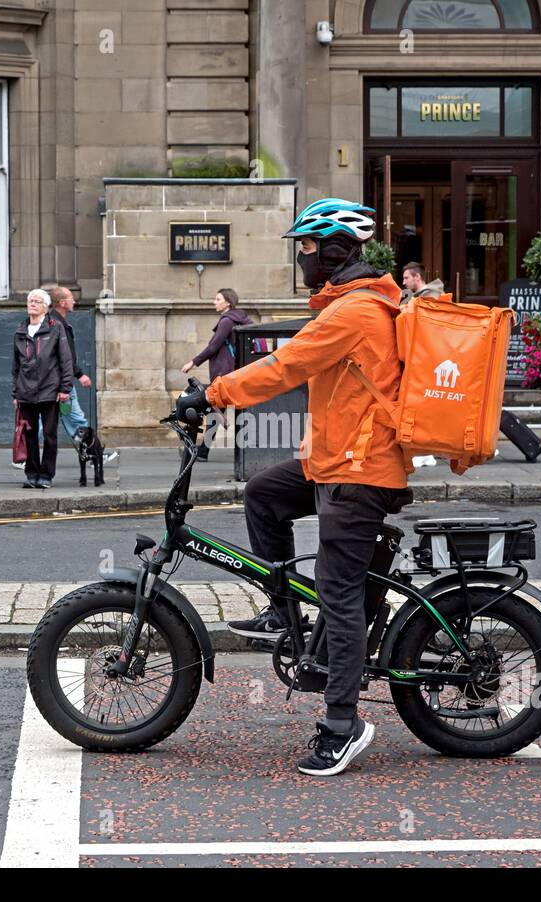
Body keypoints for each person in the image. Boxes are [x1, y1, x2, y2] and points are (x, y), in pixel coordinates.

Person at [179, 197, 413, 777]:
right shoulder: (347, 304)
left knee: (338, 591)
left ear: (333, 251)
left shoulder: (353, 312)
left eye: (307, 248)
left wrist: (210, 395)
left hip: (361, 473)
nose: (302, 259)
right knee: (263, 493)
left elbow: (286, 367)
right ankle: (285, 615)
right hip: (335, 463)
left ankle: (342, 724)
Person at [180, 288, 253, 462]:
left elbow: (213, 347)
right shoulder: (239, 318)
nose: (214, 302)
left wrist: (193, 362)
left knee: (209, 406)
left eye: (218, 299)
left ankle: (204, 450)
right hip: (231, 373)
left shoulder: (227, 321)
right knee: (220, 410)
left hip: (224, 374)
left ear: (227, 302)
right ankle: (208, 450)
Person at [12, 288, 73, 489]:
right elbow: (15, 365)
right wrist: (16, 392)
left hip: (50, 390)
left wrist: (65, 388)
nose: (32, 304)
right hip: (25, 392)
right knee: (29, 436)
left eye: (37, 301)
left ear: (46, 307)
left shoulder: (55, 328)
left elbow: (65, 360)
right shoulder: (20, 330)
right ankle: (32, 474)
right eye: (30, 300)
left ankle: (46, 475)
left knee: (49, 435)